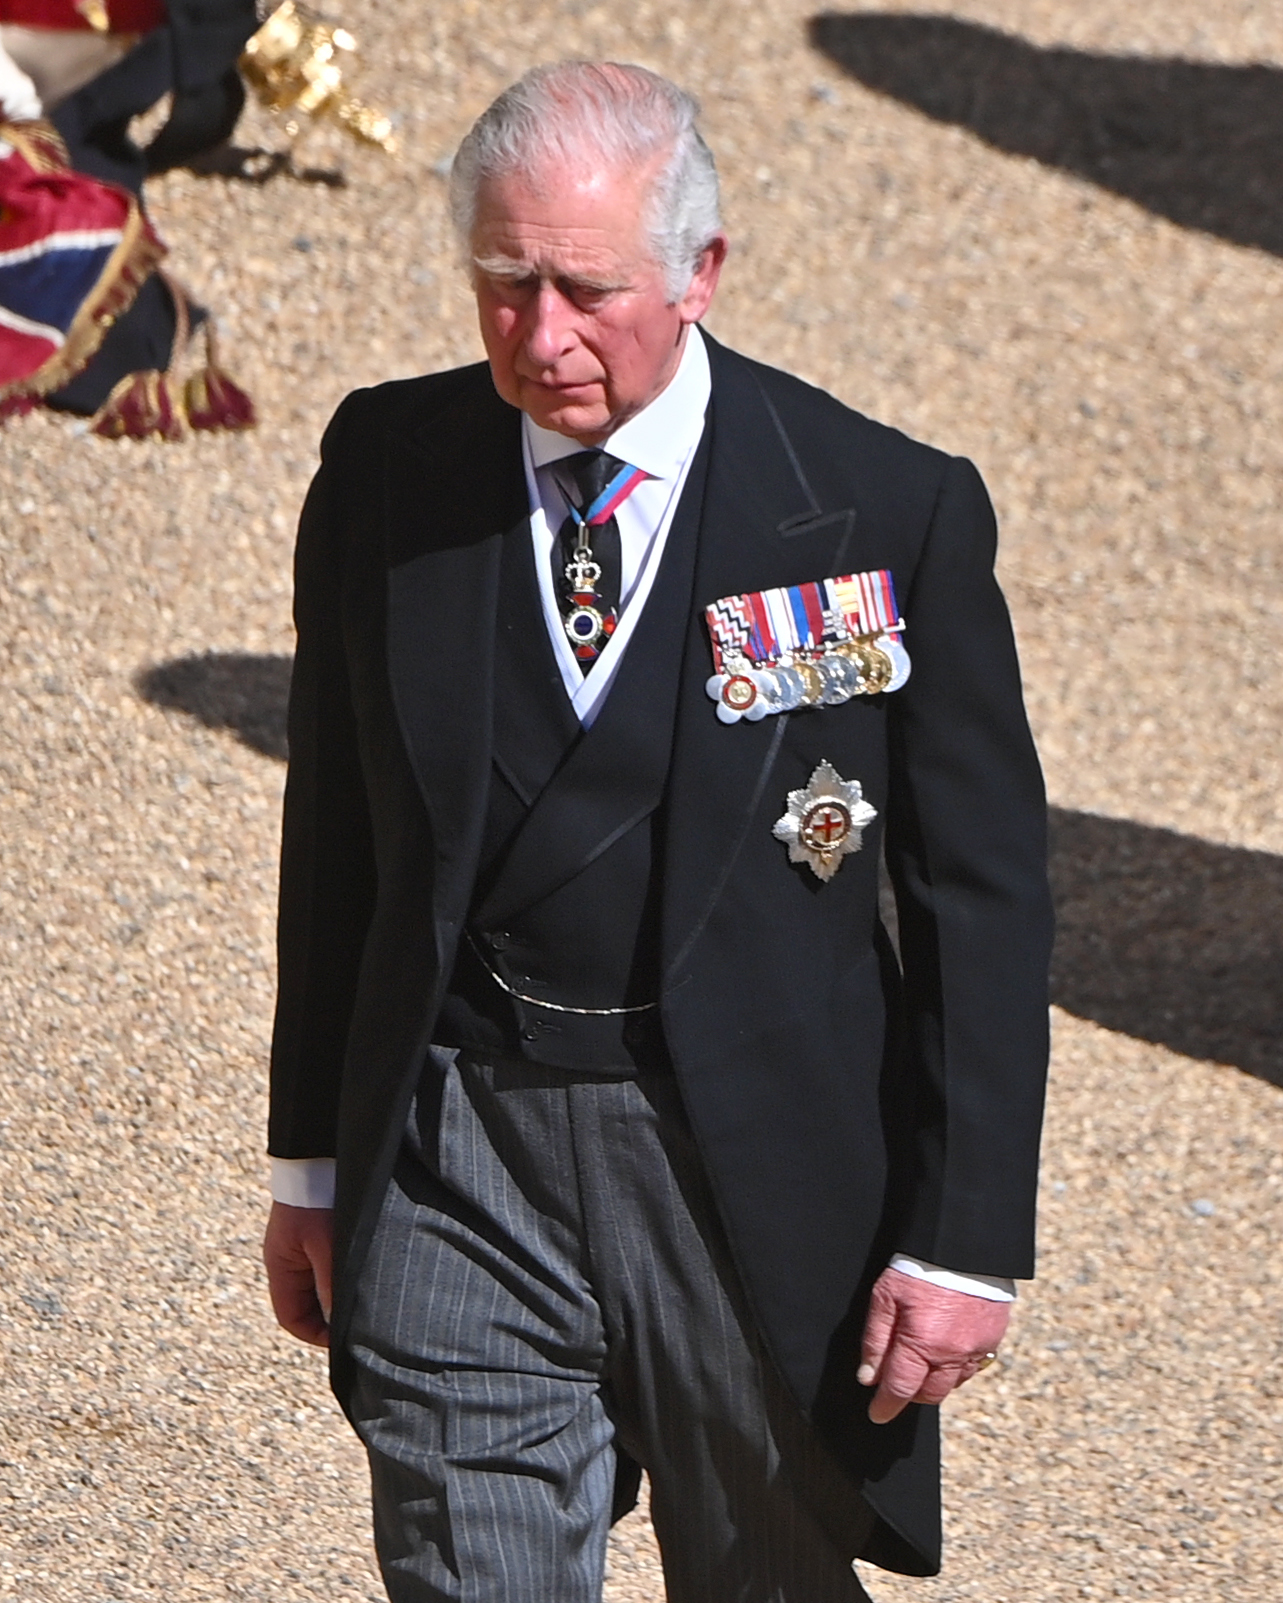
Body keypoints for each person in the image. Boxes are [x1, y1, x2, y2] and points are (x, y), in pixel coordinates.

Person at [264, 60, 1053, 1603]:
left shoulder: (886, 511)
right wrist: (311, 1158)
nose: (538, 334)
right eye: (502, 284)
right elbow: (342, 833)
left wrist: (966, 1240)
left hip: (741, 1164)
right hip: (458, 1143)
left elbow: (982, 896)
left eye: (584, 288)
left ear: (700, 274)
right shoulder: (386, 467)